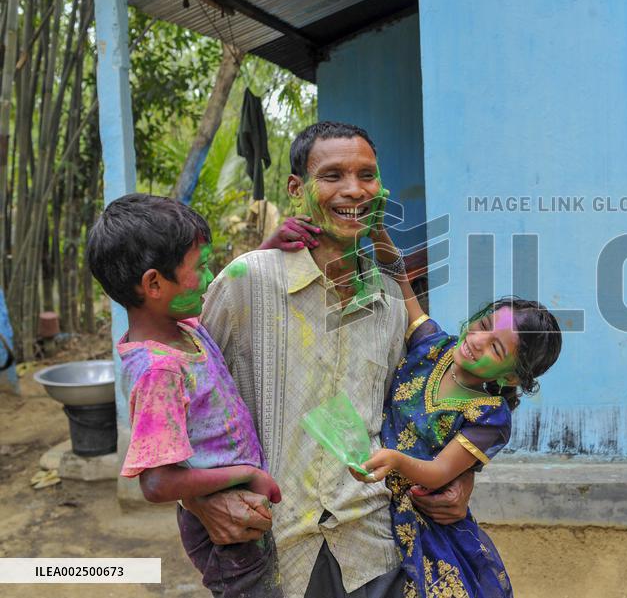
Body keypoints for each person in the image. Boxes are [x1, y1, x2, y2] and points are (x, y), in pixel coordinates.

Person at [187, 121, 476, 598]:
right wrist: (197, 500)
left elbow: (424, 407)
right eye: (333, 175)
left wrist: (459, 476)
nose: (353, 190)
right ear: (297, 189)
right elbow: (177, 399)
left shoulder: (388, 299)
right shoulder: (245, 282)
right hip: (269, 543)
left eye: (367, 175)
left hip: (371, 543)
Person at [85, 194, 282, 598]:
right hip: (225, 536)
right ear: (154, 283)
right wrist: (247, 474)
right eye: (201, 267)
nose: (210, 279)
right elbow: (156, 483)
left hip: (242, 514)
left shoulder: (183, 326)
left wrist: (270, 249)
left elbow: (220, 292)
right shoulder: (161, 371)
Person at [353, 224, 562, 598]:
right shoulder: (432, 345)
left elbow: (436, 474)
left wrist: (396, 461)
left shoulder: (490, 416)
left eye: (496, 349)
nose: (477, 342)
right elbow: (400, 280)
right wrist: (377, 232)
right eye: (482, 326)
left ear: (512, 377)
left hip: (427, 524)